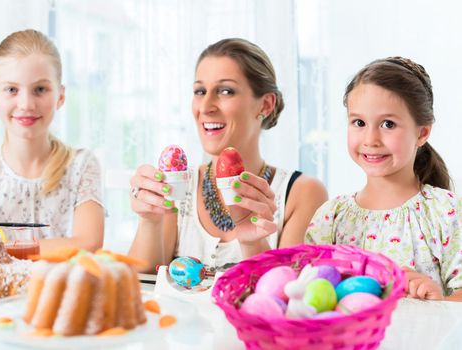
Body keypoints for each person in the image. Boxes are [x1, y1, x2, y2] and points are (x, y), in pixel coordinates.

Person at [129, 38, 327, 273]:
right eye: (200, 91)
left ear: (265, 105)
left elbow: (284, 297)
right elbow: (142, 285)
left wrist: (252, 242)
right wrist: (149, 221)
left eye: (225, 91)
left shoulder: (301, 193)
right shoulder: (180, 186)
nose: (205, 106)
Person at [306, 57, 462, 301]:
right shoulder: (331, 218)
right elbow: (312, 294)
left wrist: (440, 303)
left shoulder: (447, 212)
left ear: (422, 132)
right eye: (359, 122)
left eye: (388, 124)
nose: (370, 139)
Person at [0, 29, 104, 252]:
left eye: (40, 89)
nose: (26, 104)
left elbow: (88, 244)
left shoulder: (81, 165)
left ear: (60, 96)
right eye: (12, 89)